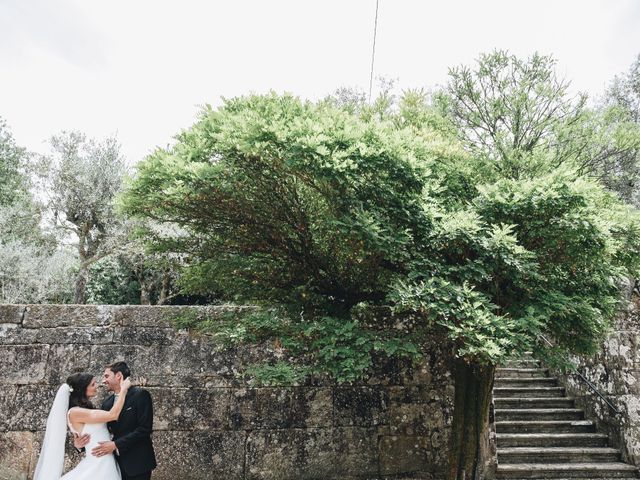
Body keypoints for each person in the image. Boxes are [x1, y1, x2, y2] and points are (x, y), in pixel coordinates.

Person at [34, 372, 131, 480]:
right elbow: (113, 415)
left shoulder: (85, 410)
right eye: (93, 384)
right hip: (98, 463)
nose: (97, 386)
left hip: (105, 461)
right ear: (83, 389)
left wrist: (78, 444)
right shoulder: (75, 412)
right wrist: (123, 390)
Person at [75, 361, 157, 480]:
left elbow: (144, 429)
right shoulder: (107, 403)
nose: (103, 381)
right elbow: (101, 431)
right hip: (114, 465)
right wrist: (80, 446)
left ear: (118, 375)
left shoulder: (141, 395)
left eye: (106, 376)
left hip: (137, 464)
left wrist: (115, 444)